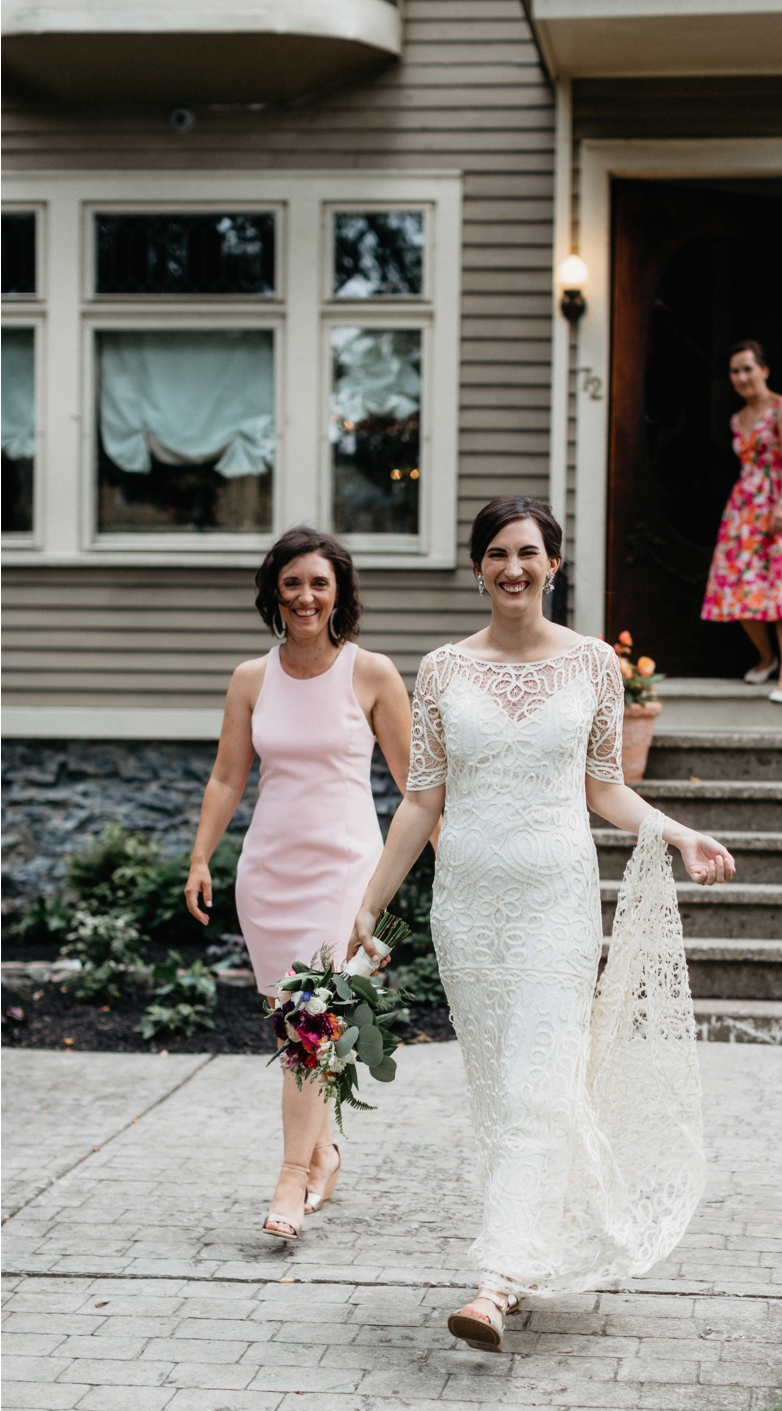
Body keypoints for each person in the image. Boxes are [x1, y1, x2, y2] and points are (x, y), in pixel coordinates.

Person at [348, 495, 735, 1351]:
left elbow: (605, 787)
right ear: (479, 566)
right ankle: (526, 1251)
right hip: (470, 913)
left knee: (535, 1084)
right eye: (497, 554)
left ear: (553, 565)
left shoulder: (595, 665)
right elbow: (422, 800)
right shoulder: (444, 669)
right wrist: (372, 898)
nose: (513, 568)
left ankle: (493, 1284)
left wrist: (674, 833)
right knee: (503, 1090)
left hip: (558, 905)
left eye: (528, 553)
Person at [185, 526, 411, 1241]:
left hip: (347, 871)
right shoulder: (252, 678)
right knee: (298, 1028)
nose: (306, 596)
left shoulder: (372, 673)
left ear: (338, 590)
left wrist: (454, 859)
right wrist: (200, 857)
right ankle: (324, 1153)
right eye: (292, 584)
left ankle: (291, 1178)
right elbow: (228, 775)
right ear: (274, 594)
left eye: (319, 582)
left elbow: (416, 785)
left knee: (313, 1022)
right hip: (270, 872)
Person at [701, 339, 782, 704]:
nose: (742, 377)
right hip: (744, 508)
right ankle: (767, 658)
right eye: (735, 371)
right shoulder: (737, 417)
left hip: (779, 501)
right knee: (740, 589)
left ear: (764, 370)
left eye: (748, 368)